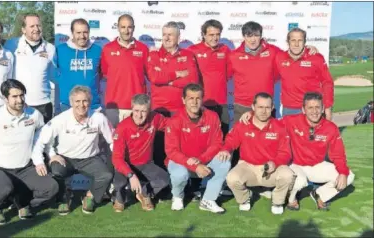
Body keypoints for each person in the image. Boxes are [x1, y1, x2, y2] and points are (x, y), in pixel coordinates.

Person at [238, 92, 355, 211]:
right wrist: (252, 113)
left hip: (317, 165)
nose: (314, 111)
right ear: (303, 109)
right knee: (300, 181)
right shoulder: (290, 121)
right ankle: (291, 199)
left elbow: (338, 154)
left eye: (317, 107)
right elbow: (268, 120)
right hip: (295, 164)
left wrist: (342, 172)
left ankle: (320, 195)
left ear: (323, 108)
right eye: (310, 107)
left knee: (349, 175)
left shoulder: (331, 127)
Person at [0, 79, 58, 224]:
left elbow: (43, 132)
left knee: (51, 187)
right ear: (5, 99)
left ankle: (22, 203)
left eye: (21, 95)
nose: (19, 100)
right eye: (14, 97)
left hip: (25, 168)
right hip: (0, 169)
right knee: (4, 188)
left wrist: (46, 156)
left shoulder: (33, 114)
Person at [34, 85, 114, 215]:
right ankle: (64, 197)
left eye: (85, 101)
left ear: (90, 102)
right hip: (65, 158)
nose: (81, 105)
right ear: (71, 103)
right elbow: (39, 140)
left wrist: (116, 157)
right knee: (56, 171)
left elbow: (112, 140)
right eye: (77, 101)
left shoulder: (99, 118)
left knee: (106, 175)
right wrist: (46, 158)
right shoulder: (60, 120)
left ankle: (89, 196)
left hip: (90, 159)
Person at [227, 21, 319, 123]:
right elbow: (224, 76)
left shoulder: (273, 51)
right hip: (242, 107)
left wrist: (306, 49)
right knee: (241, 138)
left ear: (261, 36)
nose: (253, 39)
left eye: (256, 35)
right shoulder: (233, 56)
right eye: (249, 36)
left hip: (266, 106)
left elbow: (291, 55)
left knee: (268, 138)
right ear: (244, 36)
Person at [219, 92, 295, 215]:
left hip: (270, 169)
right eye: (260, 107)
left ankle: (277, 201)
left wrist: (275, 163)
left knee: (288, 175)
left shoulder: (279, 126)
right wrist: (226, 149)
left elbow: (285, 153)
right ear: (253, 107)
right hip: (248, 167)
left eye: (267, 107)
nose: (264, 111)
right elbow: (231, 141)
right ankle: (245, 197)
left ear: (272, 108)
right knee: (231, 178)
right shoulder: (244, 124)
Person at [165, 83, 230, 212]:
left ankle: (208, 200)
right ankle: (177, 197)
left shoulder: (212, 116)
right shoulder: (175, 120)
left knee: (224, 162)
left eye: (198, 98)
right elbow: (171, 151)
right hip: (182, 161)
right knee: (179, 173)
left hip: (203, 160)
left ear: (202, 99)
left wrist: (200, 160)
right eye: (190, 98)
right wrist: (194, 165)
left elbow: (217, 143)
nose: (194, 102)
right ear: (183, 100)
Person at [111, 94, 170, 212]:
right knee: (119, 184)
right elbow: (117, 158)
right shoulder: (123, 128)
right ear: (132, 109)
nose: (139, 115)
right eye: (136, 110)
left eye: (144, 111)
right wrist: (130, 175)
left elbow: (173, 124)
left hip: (146, 163)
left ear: (149, 111)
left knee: (164, 180)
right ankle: (119, 197)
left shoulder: (155, 118)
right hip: (126, 164)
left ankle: (144, 193)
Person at [4, 13, 56, 123]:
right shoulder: (11, 44)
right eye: (32, 26)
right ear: (23, 29)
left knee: (43, 140)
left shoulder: (50, 48)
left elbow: (55, 75)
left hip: (44, 105)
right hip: (19, 104)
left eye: (38, 25)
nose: (36, 29)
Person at [100, 14, 149, 127]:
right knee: (113, 142)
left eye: (129, 27)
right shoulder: (107, 49)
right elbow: (105, 73)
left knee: (136, 143)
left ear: (134, 28)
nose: (126, 31)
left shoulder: (143, 49)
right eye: (123, 27)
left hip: (137, 107)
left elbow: (149, 74)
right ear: (118, 28)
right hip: (114, 107)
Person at [276, 28, 334, 120]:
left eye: (300, 40)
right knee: (290, 134)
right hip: (289, 110)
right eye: (293, 40)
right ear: (288, 42)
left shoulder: (316, 58)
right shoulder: (279, 58)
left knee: (313, 134)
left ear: (305, 42)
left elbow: (327, 83)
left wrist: (327, 108)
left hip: (312, 108)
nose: (296, 44)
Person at [188, 19, 231, 137]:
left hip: (222, 103)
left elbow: (229, 73)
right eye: (211, 35)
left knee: (223, 138)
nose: (215, 38)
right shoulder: (193, 50)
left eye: (218, 34)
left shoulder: (225, 50)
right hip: (201, 103)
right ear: (203, 34)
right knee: (201, 139)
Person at [146, 21, 199, 116]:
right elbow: (154, 78)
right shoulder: (154, 54)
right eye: (164, 35)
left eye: (170, 35)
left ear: (178, 38)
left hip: (181, 110)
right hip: (158, 109)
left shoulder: (188, 55)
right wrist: (177, 74)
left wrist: (167, 80)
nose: (166, 38)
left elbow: (192, 81)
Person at [54, 19, 102, 112]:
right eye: (78, 32)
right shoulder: (60, 50)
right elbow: (52, 74)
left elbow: (103, 73)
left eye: (85, 32)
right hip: (67, 106)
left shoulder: (98, 50)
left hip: (93, 106)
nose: (82, 36)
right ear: (72, 33)